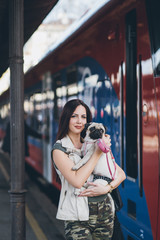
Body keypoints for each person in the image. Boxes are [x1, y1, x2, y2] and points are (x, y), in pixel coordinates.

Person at [52, 99, 126, 240]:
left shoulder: (92, 143)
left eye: (83, 117)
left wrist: (107, 188)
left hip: (105, 213)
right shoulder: (60, 150)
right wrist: (98, 152)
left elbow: (121, 174)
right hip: (77, 218)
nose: (79, 121)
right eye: (74, 116)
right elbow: (77, 181)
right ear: (66, 118)